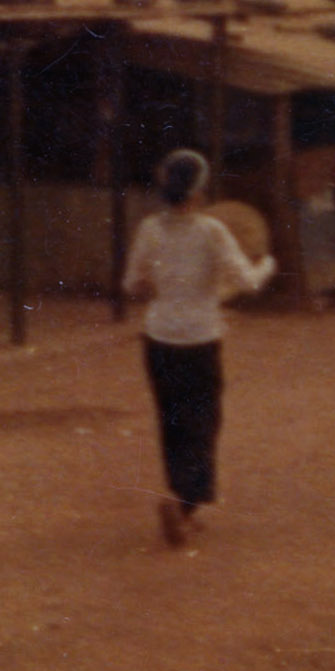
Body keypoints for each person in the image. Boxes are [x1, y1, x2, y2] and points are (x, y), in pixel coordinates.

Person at [120, 148, 275, 548]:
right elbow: (248, 282)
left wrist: (163, 284)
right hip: (200, 340)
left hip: (159, 339)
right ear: (197, 192)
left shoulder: (150, 229)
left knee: (171, 421)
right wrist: (267, 264)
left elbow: (131, 284)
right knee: (204, 423)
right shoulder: (212, 231)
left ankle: (179, 498)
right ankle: (186, 507)